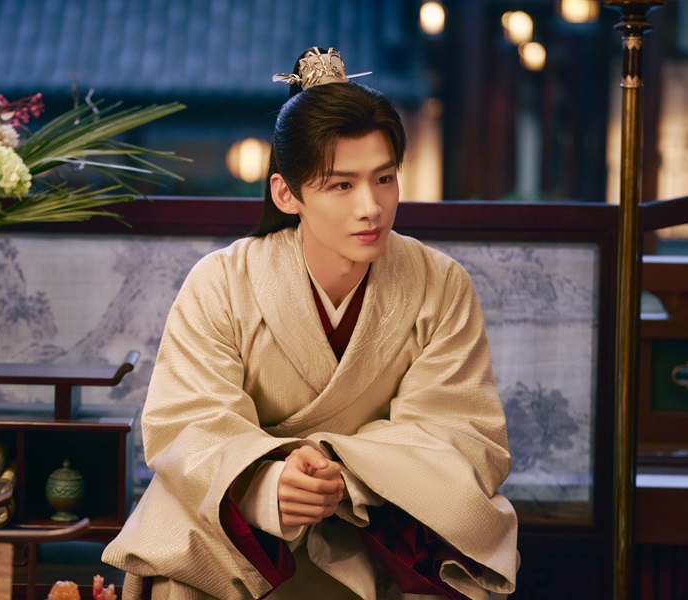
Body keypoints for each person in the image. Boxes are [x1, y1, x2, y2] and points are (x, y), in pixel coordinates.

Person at [103, 47, 518, 599]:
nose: (371, 207)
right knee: (180, 538)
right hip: (249, 521)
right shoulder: (221, 282)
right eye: (341, 185)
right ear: (286, 193)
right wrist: (266, 484)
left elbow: (460, 432)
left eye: (384, 178)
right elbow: (188, 424)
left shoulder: (439, 284)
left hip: (381, 520)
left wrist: (343, 475)